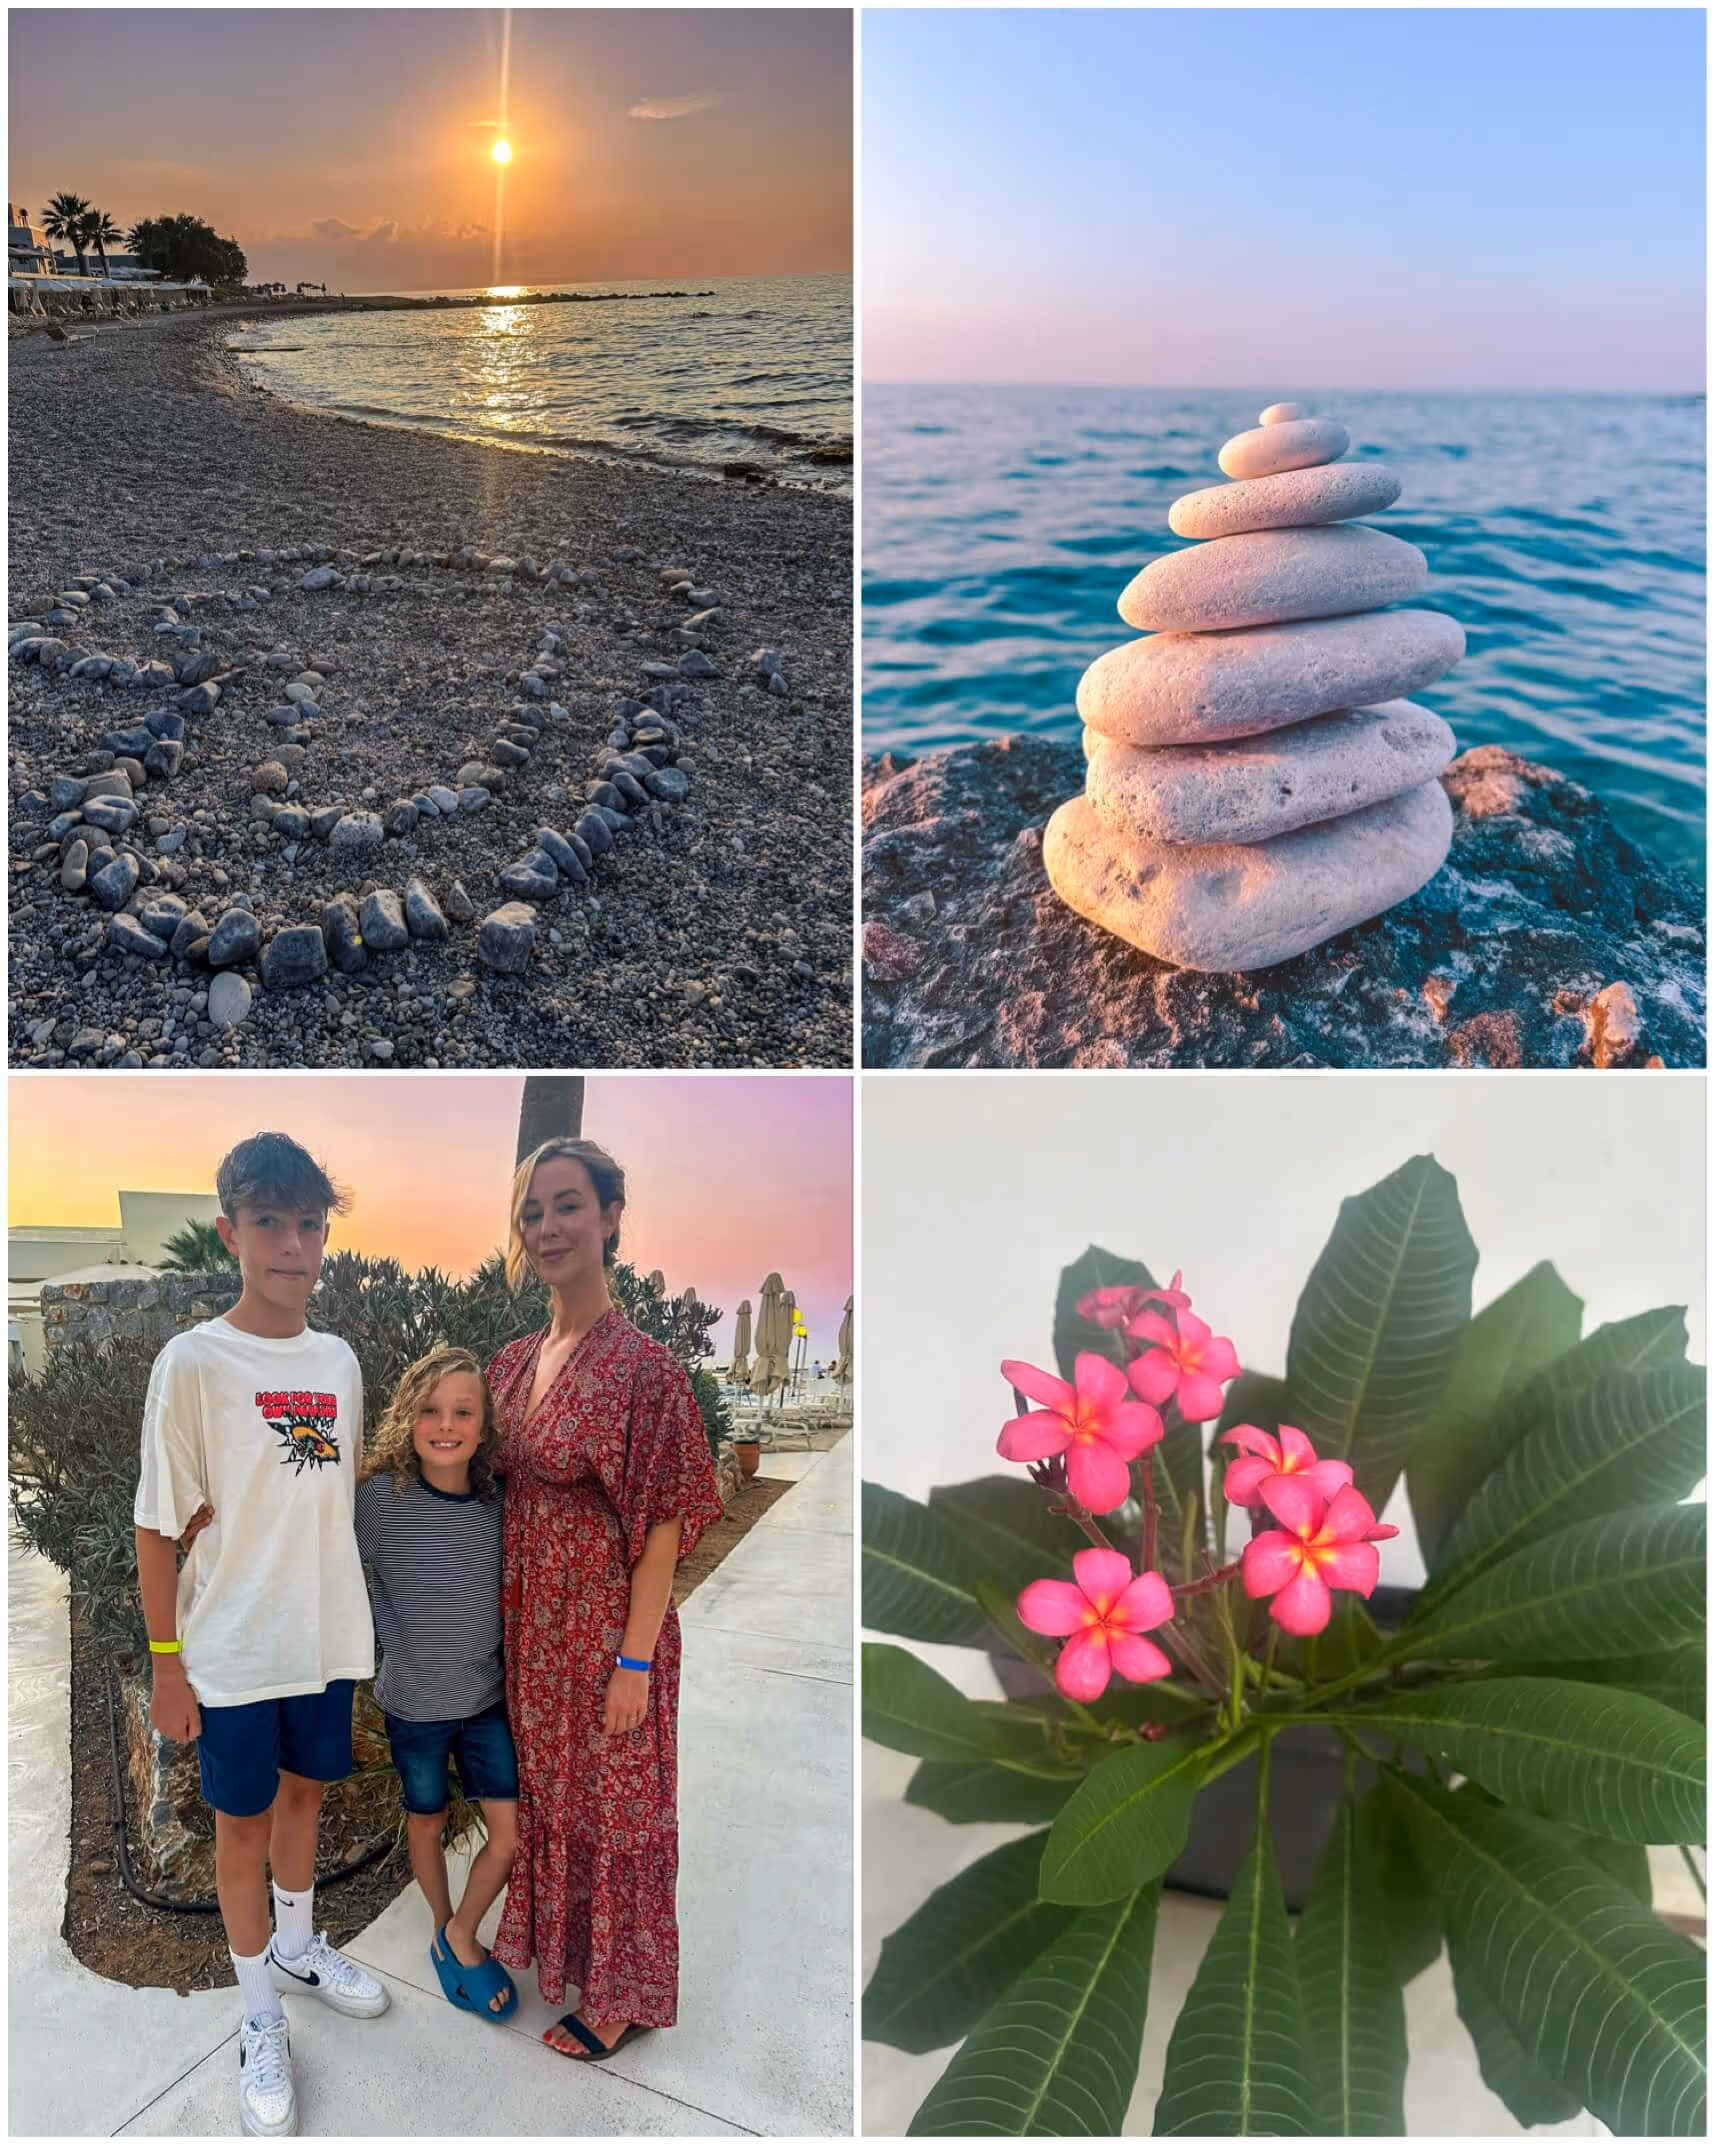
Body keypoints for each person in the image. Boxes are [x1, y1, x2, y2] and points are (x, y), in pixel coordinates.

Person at [133, 1133, 387, 2141]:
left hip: (319, 1637)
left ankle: (296, 1946)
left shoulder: (338, 1361)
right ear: (230, 1230)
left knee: (304, 1798)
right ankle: (259, 2016)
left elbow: (329, 1497)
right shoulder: (193, 1362)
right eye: (269, 1222)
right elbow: (157, 1525)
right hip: (231, 1649)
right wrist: (166, 1665)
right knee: (240, 1828)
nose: (292, 1244)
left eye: (309, 1223)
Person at [486, 1137, 724, 2062]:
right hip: (533, 1636)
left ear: (611, 1217)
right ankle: (562, 1954)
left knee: (620, 1813)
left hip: (606, 1633)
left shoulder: (644, 1369)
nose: (547, 1228)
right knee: (554, 1801)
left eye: (567, 1206)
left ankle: (623, 1995)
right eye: (532, 1212)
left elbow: (663, 1523)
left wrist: (634, 1659)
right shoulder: (512, 1363)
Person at [355, 1347, 519, 2022]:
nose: (445, 1424)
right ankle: (440, 1923)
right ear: (407, 1418)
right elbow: (322, 1553)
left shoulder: (499, 1503)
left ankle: (461, 1935)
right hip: (414, 1707)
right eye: (429, 1410)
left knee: (510, 1835)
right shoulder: (376, 1501)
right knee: (425, 1818)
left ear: (484, 1427)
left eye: (462, 1412)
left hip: (485, 1702)